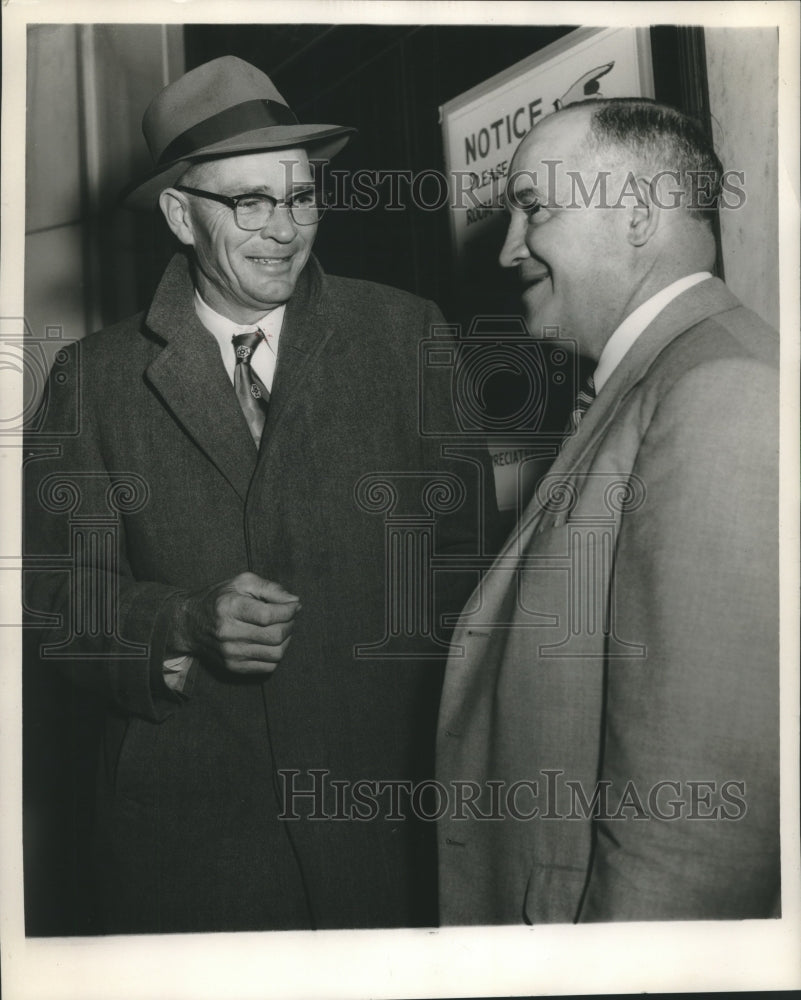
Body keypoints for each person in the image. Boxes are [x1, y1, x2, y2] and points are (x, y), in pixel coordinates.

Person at [24, 56, 493, 934]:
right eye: (250, 202)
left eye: (301, 196)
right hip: (192, 848)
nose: (283, 229)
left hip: (385, 828)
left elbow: (470, 584)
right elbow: (48, 603)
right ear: (178, 212)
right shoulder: (93, 379)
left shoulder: (405, 335)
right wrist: (178, 622)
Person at [436, 98, 780, 923]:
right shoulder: (661, 379)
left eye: (533, 210)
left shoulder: (719, 393)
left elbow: (692, 833)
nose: (510, 249)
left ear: (634, 217)